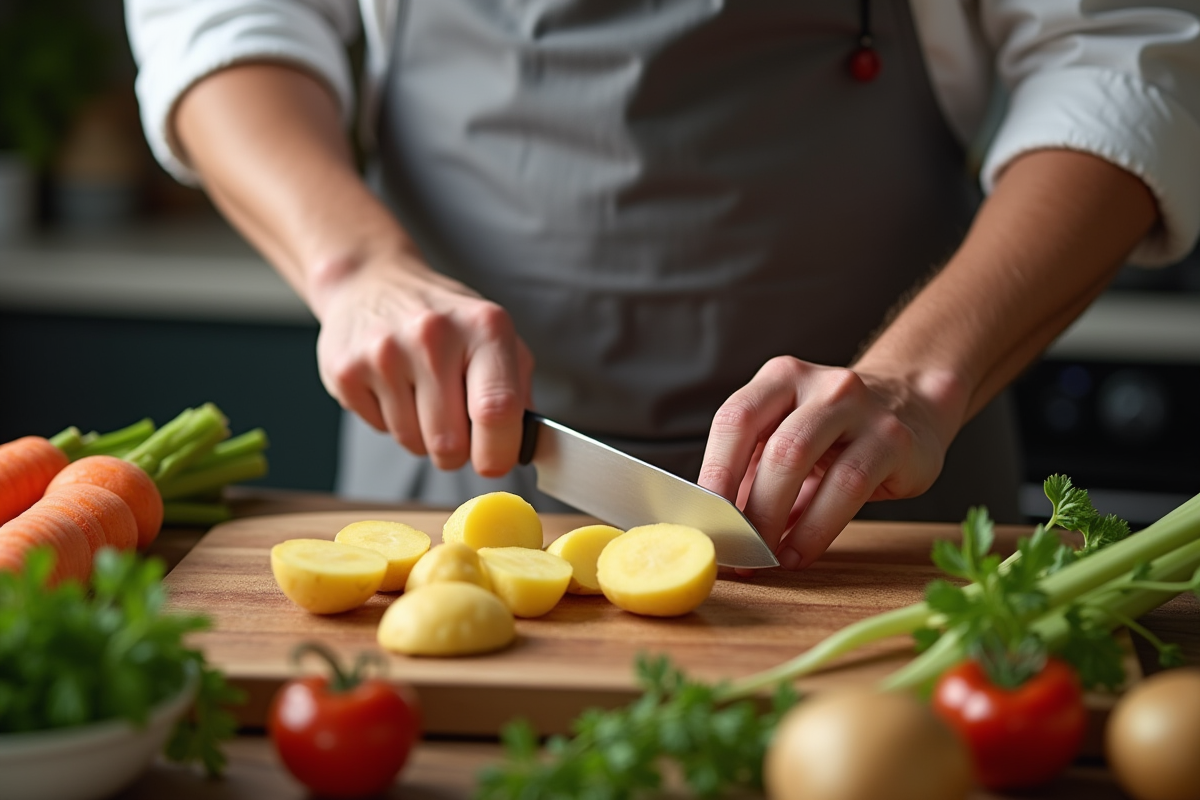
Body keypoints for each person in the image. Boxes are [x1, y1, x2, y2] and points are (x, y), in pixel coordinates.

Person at [126, 1, 1200, 570]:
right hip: (447, 476)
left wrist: (918, 379)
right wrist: (354, 264)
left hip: (880, 500)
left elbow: (1121, 54)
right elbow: (220, 15)